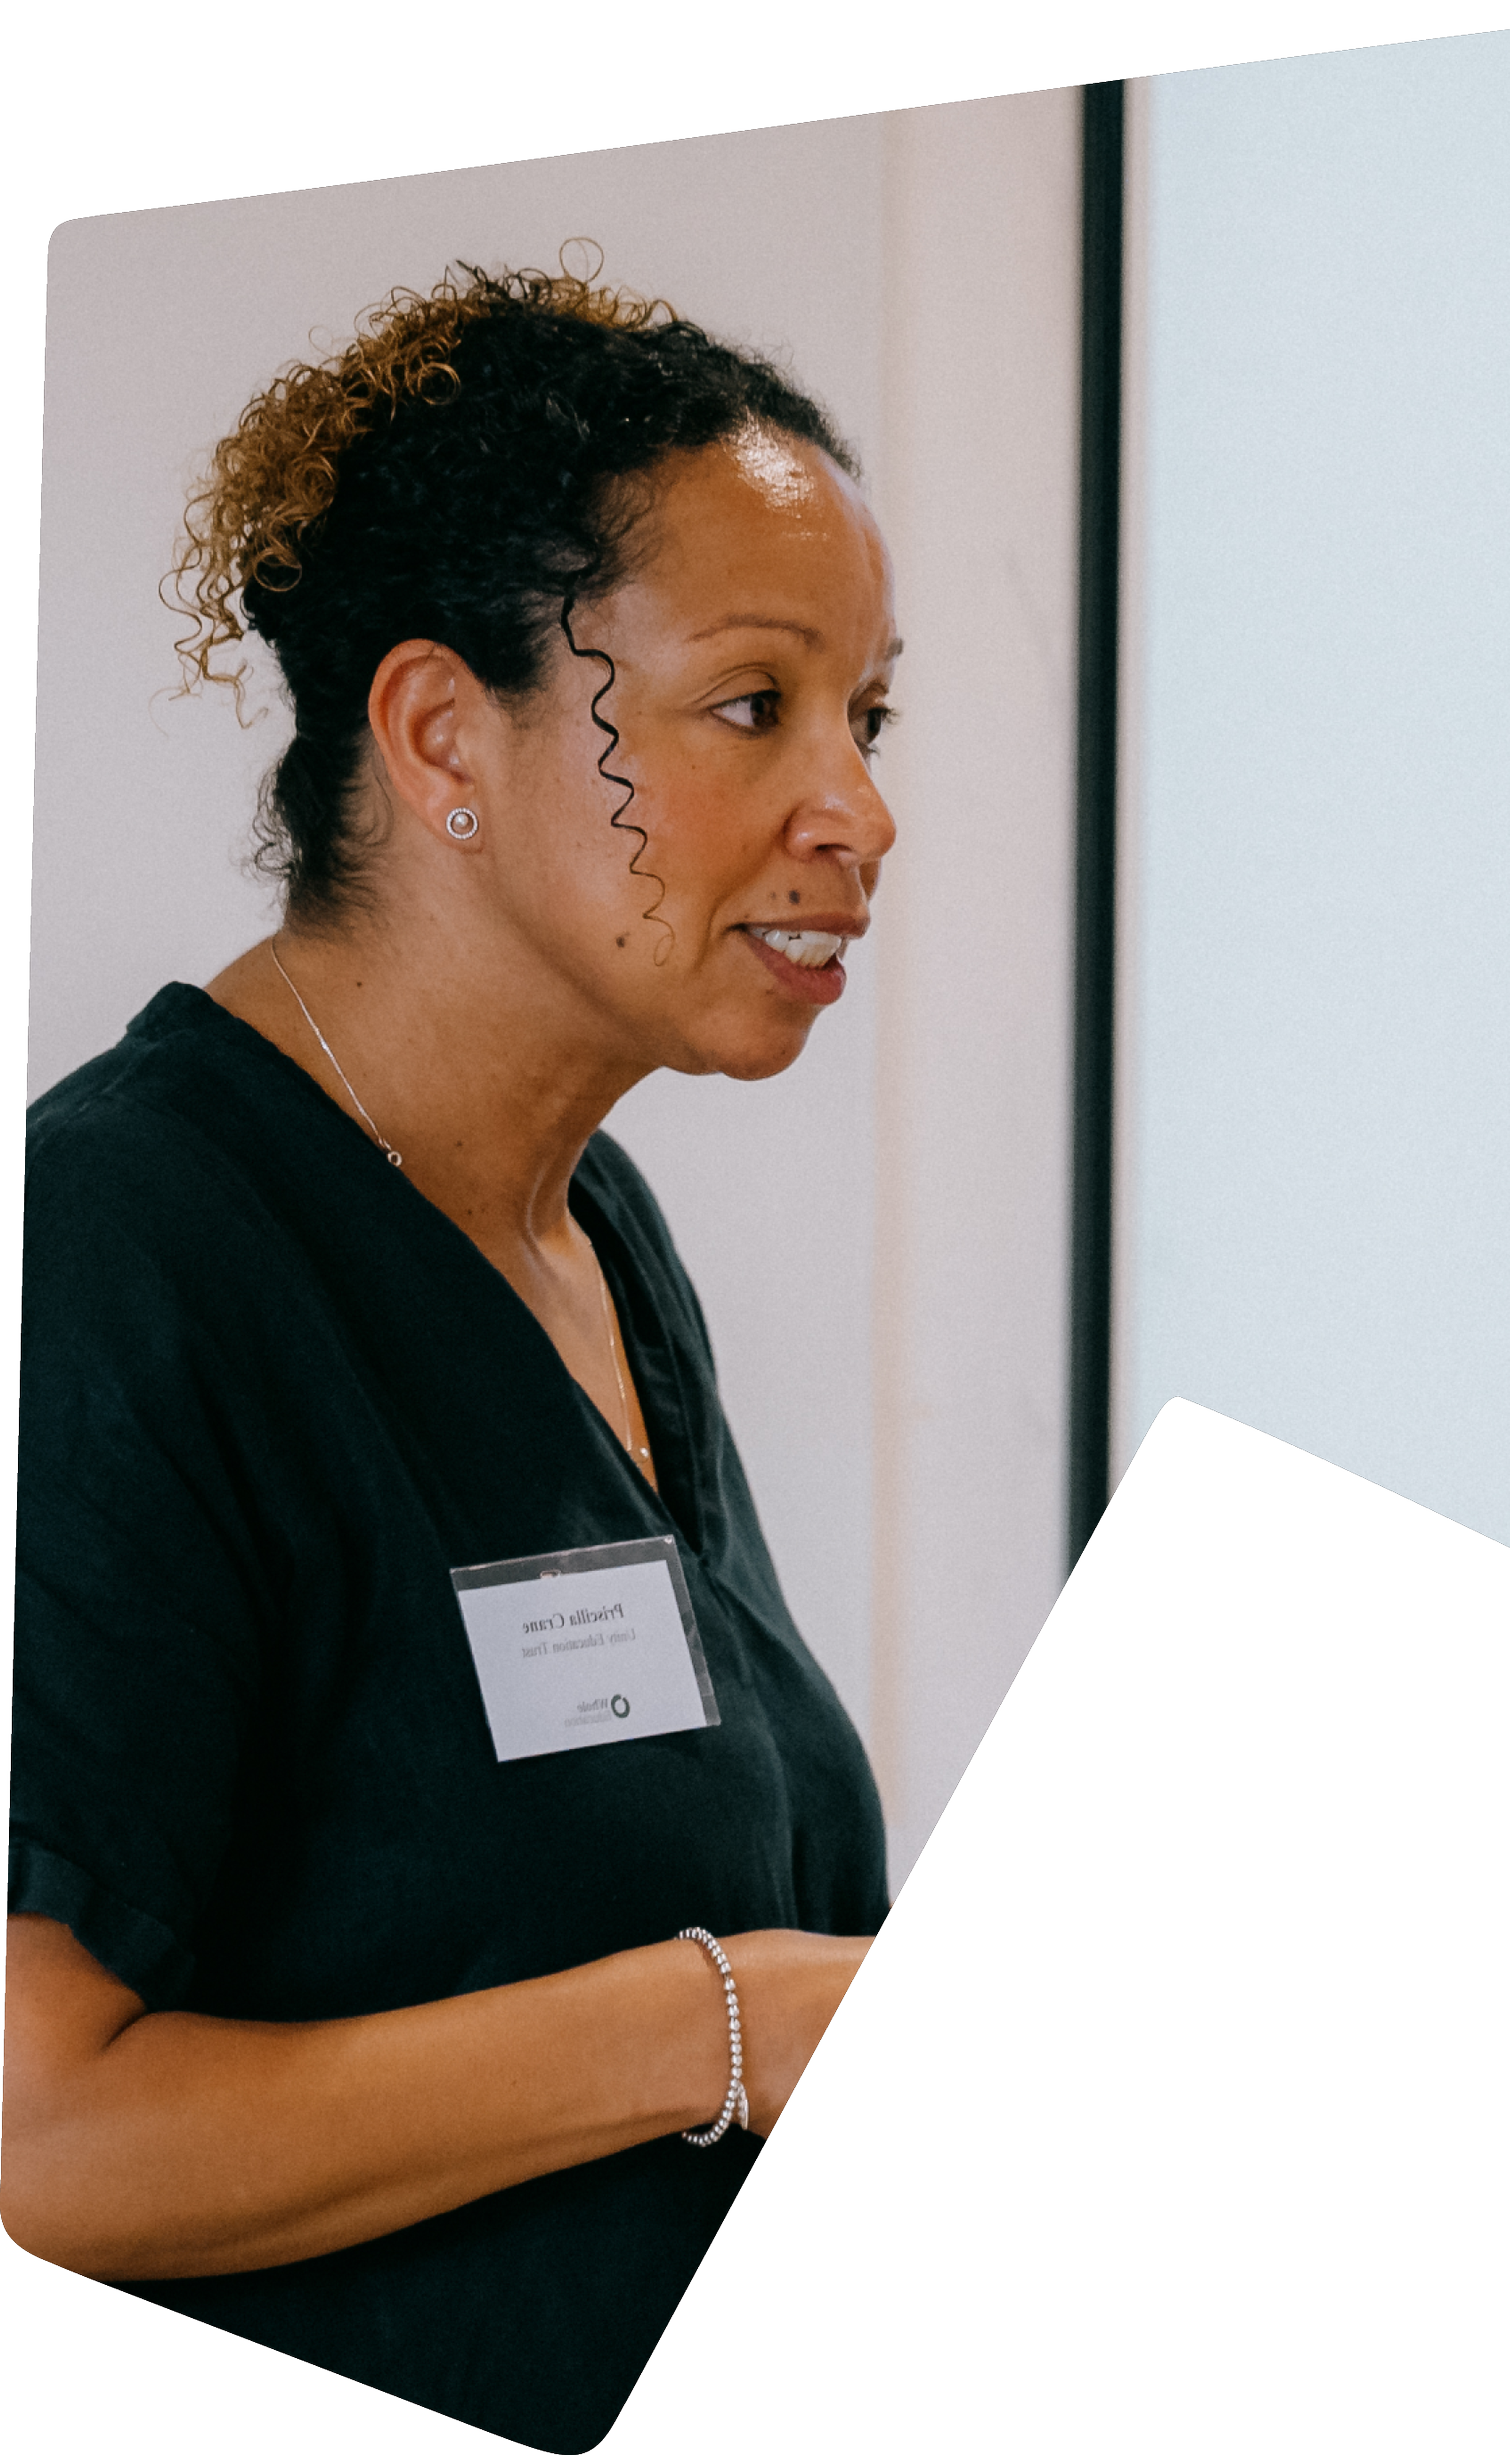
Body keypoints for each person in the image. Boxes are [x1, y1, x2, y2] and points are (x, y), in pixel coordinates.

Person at [1, 261, 897, 2453]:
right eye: (751, 705)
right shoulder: (118, 1248)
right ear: (439, 740)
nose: (857, 817)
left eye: (867, 722)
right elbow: (41, 2141)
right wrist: (729, 2026)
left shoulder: (590, 1232)